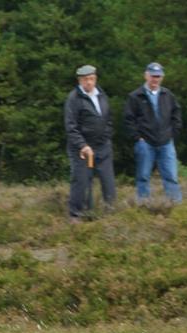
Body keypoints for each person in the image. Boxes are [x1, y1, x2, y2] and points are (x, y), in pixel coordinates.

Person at [123, 61, 183, 203]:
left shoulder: (168, 95)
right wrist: (138, 138)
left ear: (162, 77)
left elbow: (176, 114)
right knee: (143, 176)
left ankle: (175, 207)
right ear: (146, 76)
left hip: (166, 142)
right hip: (145, 143)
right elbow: (128, 119)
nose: (155, 79)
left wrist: (173, 133)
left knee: (171, 176)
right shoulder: (135, 96)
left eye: (158, 76)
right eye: (153, 76)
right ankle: (143, 205)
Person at [63, 64, 116, 222]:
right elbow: (71, 126)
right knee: (81, 181)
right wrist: (83, 145)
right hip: (81, 149)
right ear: (80, 81)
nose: (89, 82)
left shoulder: (101, 95)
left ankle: (110, 213)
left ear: (95, 78)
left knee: (108, 181)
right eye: (85, 79)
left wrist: (106, 137)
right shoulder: (74, 99)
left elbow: (108, 119)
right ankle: (76, 214)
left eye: (92, 79)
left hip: (102, 146)